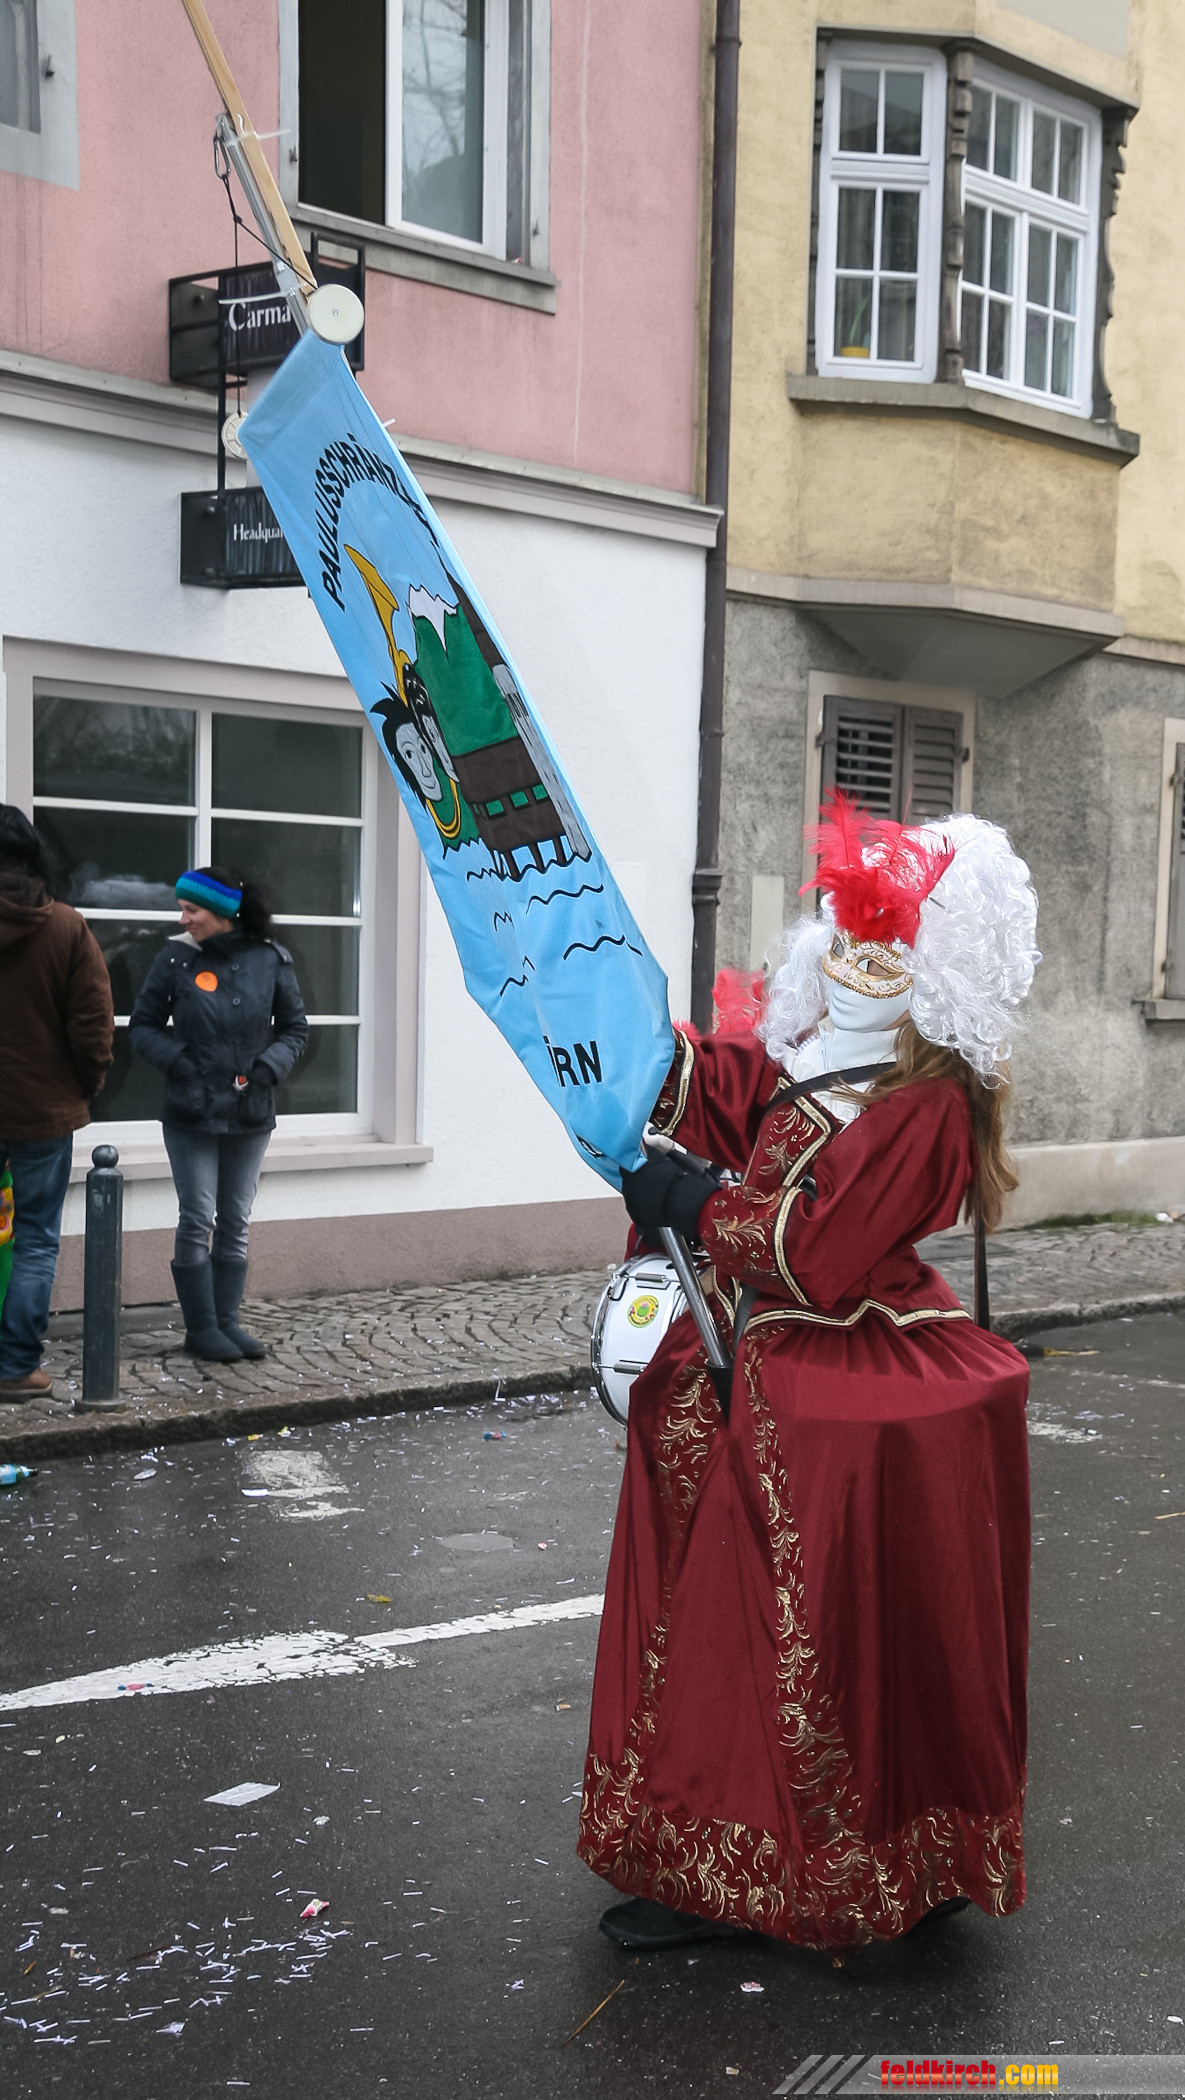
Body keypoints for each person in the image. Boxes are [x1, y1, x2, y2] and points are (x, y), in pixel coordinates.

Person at [579, 797, 1041, 1952]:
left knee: (796, 1631)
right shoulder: (813, 1054)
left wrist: (698, 1201)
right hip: (744, 1356)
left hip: (837, 1368)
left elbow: (818, 1255)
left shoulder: (929, 1104)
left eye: (890, 948)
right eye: (849, 938)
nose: (857, 964)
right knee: (705, 1616)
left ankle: (830, 1864)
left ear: (937, 973)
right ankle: (709, 1846)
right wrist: (606, 1034)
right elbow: (717, 1085)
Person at [129, 865, 308, 1364]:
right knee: (196, 1217)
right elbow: (142, 1026)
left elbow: (295, 1028)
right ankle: (202, 1328)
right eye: (182, 910)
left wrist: (268, 1070)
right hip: (190, 1110)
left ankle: (227, 1321)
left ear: (223, 911)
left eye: (192, 910)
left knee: (235, 1220)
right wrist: (180, 1063)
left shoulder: (271, 959)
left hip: (251, 1109)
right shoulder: (174, 958)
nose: (183, 919)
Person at [0, 805, 115, 1400]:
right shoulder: (66, 927)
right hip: (43, 1111)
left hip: (40, 1107)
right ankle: (16, 1367)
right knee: (36, 1238)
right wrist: (83, 1088)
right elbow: (93, 1027)